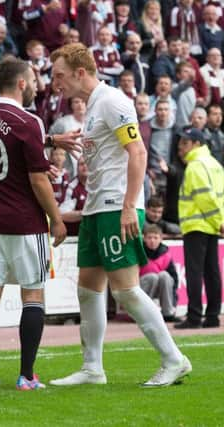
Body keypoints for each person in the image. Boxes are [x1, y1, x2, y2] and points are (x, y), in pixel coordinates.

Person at [48, 43, 191, 387]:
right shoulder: (95, 106)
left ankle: (174, 359)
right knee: (88, 288)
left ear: (80, 73)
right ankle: (92, 368)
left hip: (116, 206)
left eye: (60, 75)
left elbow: (138, 152)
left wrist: (129, 205)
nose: (56, 83)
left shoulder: (112, 101)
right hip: (98, 207)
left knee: (125, 289)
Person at [0, 58, 67, 392]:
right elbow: (39, 180)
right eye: (34, 78)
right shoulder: (29, 121)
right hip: (26, 222)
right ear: (21, 83)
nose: (38, 83)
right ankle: (26, 376)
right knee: (33, 295)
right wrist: (56, 218)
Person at [175, 127, 224, 329]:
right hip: (212, 226)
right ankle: (212, 315)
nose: (180, 149)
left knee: (195, 272)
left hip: (197, 225)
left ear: (197, 144)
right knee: (212, 271)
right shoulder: (215, 164)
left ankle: (194, 317)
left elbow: (205, 199)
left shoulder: (195, 166)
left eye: (185, 144)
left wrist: (218, 222)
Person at [140, 224, 179, 322]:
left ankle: (168, 313)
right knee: (152, 277)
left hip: (160, 288)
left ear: (161, 239)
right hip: (141, 287)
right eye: (149, 238)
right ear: (144, 238)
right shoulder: (138, 252)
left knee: (164, 276)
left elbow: (174, 282)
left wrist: (174, 303)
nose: (152, 241)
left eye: (155, 238)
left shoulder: (165, 254)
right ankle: (142, 313)